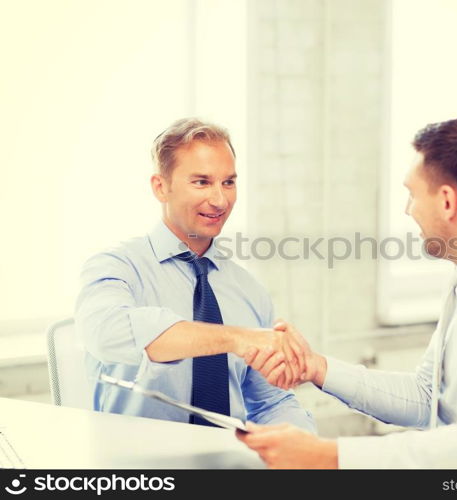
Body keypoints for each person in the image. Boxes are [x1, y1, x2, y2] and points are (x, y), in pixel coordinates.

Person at [237, 116, 457, 468]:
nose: (409, 210)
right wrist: (317, 368)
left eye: (412, 194)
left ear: (447, 202)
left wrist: (329, 456)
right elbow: (427, 398)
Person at [75, 118, 314, 431]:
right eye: (201, 182)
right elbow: (107, 334)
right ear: (161, 187)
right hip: (137, 472)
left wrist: (306, 446)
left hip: (228, 467)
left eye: (228, 182)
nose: (220, 200)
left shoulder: (248, 290)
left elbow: (270, 401)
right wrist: (236, 338)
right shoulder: (116, 268)